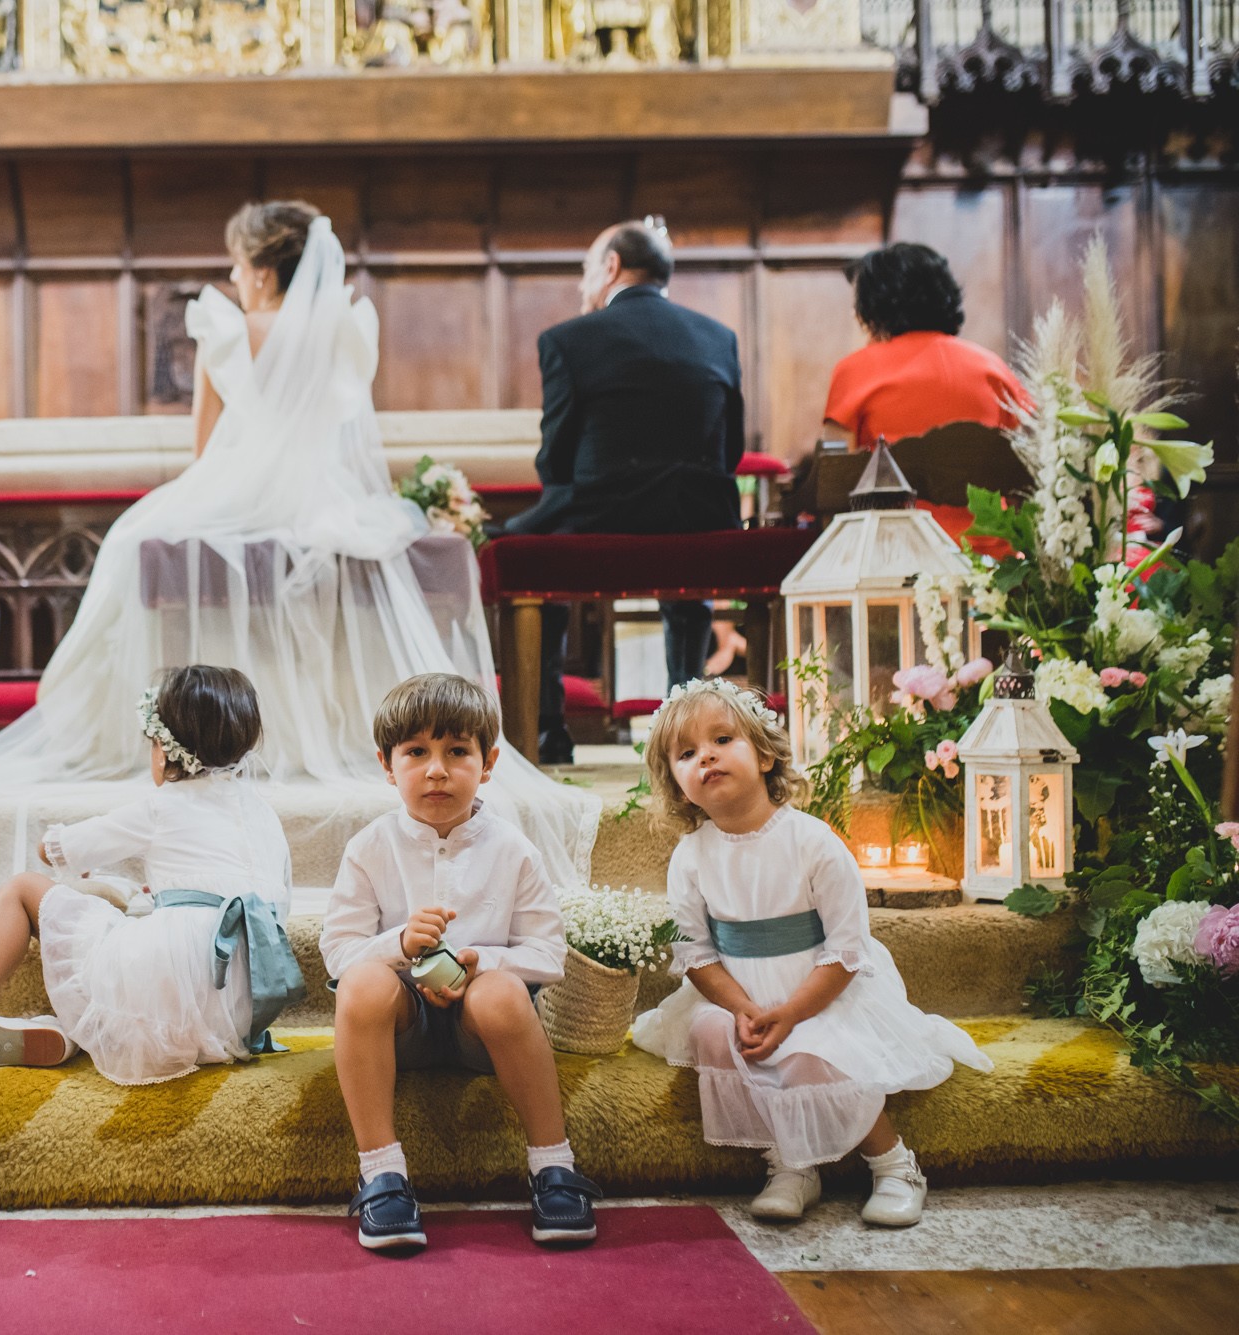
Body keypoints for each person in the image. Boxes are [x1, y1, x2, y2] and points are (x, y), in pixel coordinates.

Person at [0, 203, 598, 917]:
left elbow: (207, 447)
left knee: (134, 541)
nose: (233, 279)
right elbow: (349, 438)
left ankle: (163, 732)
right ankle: (323, 728)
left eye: (237, 266)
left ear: (259, 270)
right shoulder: (346, 328)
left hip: (236, 499)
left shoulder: (229, 327)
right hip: (327, 503)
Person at [630, 678, 991, 1227]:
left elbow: (847, 949)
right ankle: (791, 1164)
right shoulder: (691, 856)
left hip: (822, 990)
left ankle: (894, 1165)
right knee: (712, 1033)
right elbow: (695, 953)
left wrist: (793, 1012)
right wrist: (742, 1009)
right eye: (686, 753)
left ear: (765, 755)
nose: (706, 756)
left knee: (811, 1051)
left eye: (722, 739)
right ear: (679, 787)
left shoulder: (813, 842)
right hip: (738, 996)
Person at [0, 665, 303, 1086]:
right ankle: (72, 1031)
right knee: (129, 913)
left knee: (22, 890)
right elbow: (269, 908)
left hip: (169, 989)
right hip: (238, 1013)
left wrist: (63, 850)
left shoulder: (162, 805)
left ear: (166, 748)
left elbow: (57, 849)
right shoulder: (264, 816)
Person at [322, 673, 599, 1253]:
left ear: (488, 763)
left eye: (456, 752)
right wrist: (398, 945)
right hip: (402, 1028)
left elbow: (548, 953)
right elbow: (339, 952)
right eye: (416, 753)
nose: (437, 770)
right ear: (387, 764)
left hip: (483, 1032)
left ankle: (553, 1166)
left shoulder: (513, 849)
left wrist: (483, 964)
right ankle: (382, 1175)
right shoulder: (369, 848)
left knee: (501, 991)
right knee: (362, 983)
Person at [501, 220, 744, 765]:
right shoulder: (718, 337)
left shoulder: (568, 340)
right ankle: (686, 723)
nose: (582, 283)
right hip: (698, 520)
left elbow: (555, 463)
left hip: (599, 519)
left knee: (530, 546)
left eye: (587, 269)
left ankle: (547, 729)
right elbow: (728, 453)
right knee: (688, 556)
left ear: (611, 266)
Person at [824, 242, 1031, 543]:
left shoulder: (854, 371)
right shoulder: (995, 370)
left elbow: (832, 484)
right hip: (989, 558)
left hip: (892, 554)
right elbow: (1025, 476)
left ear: (872, 307)